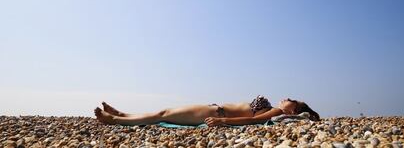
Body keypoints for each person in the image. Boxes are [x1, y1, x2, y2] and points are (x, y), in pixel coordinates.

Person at [94, 96, 320, 126]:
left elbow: (251, 121)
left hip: (216, 113)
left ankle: (115, 121)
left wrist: (222, 122)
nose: (287, 98)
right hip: (214, 108)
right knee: (163, 111)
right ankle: (123, 114)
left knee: (162, 116)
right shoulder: (274, 108)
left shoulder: (275, 111)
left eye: (293, 100)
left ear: (293, 110)